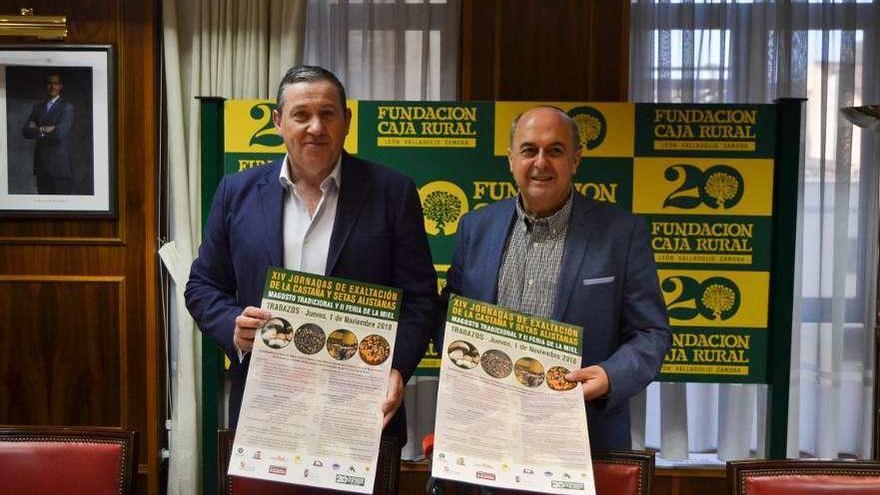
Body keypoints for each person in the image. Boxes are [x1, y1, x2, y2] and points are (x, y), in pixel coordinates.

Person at [185, 66, 438, 448]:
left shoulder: (393, 192)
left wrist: (396, 365)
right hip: (267, 405)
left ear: (347, 121)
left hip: (363, 405)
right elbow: (203, 285)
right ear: (278, 122)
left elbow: (419, 299)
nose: (315, 127)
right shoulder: (236, 192)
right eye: (301, 115)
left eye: (328, 114)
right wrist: (232, 327)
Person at [444, 106, 671, 450]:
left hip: (583, 433)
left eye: (555, 150)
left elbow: (651, 333)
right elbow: (450, 312)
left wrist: (610, 376)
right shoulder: (475, 228)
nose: (540, 163)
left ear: (576, 160)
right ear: (510, 159)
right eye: (529, 150)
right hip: (487, 430)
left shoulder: (622, 233)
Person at [21, 73, 75, 194]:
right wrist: (45, 129)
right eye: (49, 83)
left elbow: (60, 134)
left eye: (55, 83)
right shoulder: (37, 108)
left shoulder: (67, 107)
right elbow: (25, 131)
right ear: (46, 86)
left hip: (59, 168)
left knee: (60, 209)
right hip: (41, 166)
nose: (52, 87)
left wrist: (37, 129)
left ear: (60, 86)